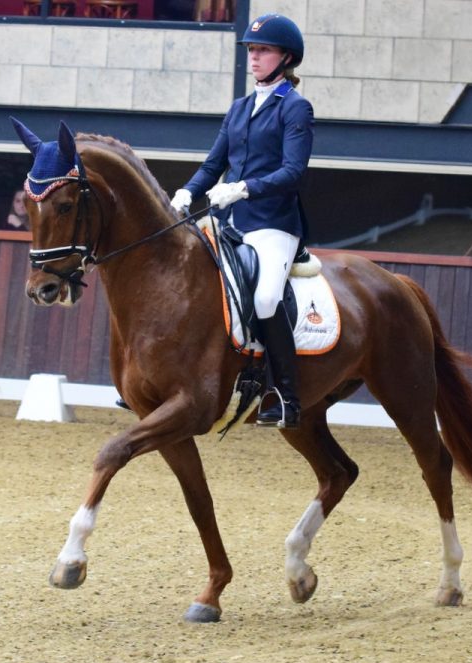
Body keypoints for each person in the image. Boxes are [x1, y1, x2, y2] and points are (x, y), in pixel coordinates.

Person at [171, 13, 312, 429]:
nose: (254, 57)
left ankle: (285, 395)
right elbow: (213, 164)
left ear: (285, 57)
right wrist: (186, 192)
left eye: (263, 50)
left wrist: (244, 188)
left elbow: (294, 172)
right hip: (229, 221)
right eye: (251, 50)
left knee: (267, 299)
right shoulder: (239, 108)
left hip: (273, 223)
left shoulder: (296, 108)